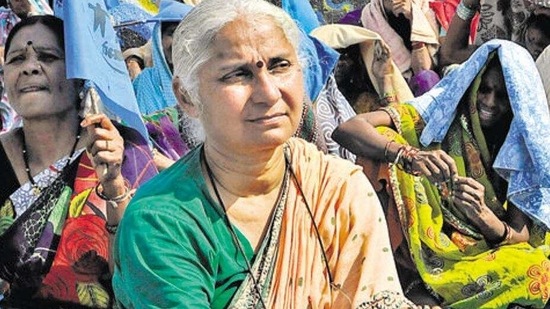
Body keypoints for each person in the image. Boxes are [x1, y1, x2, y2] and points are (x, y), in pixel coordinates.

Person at [112, 0, 418, 307]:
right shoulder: (161, 221)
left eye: (280, 65)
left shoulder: (338, 189)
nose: (269, 93)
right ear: (187, 96)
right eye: (238, 74)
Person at [332, 40, 550, 308]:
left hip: (481, 251)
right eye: (485, 90)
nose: (490, 103)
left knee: (537, 272)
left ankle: (438, 294)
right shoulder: (439, 119)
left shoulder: (523, 149)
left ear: (518, 100)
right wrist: (408, 156)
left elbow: (520, 235)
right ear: (472, 86)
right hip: (423, 250)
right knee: (383, 139)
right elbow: (348, 129)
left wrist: (481, 215)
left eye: (502, 96)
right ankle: (409, 279)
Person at [0, 15, 157, 308]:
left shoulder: (121, 148)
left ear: (78, 76)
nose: (30, 67)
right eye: (16, 59)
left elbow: (146, 266)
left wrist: (113, 185)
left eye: (48, 57)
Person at [360, 0, 440, 90]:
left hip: (434, 80)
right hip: (397, 86)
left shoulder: (424, 6)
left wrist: (413, 18)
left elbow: (425, 68)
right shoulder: (371, 17)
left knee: (426, 78)